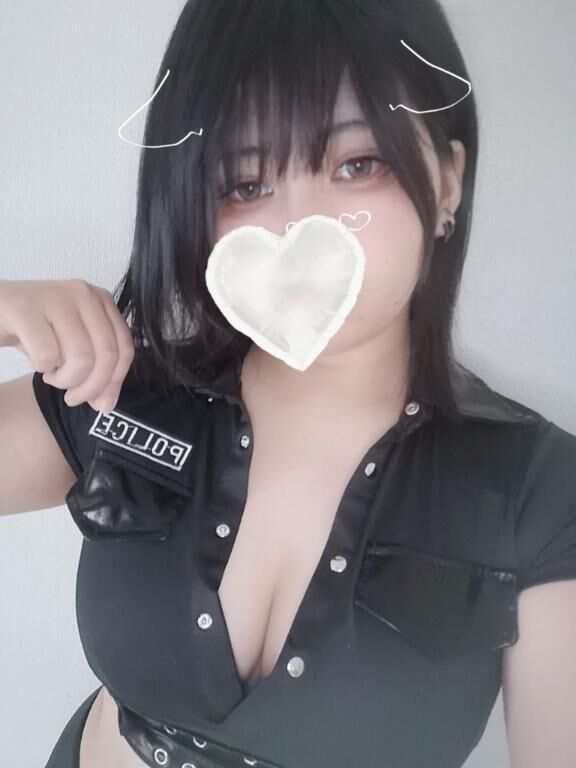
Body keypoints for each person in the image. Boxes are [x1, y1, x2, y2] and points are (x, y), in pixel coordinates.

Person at [1, 1, 575, 767]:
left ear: (446, 182)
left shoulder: (538, 490)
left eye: (357, 165)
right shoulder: (123, 387)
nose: (300, 229)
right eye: (245, 183)